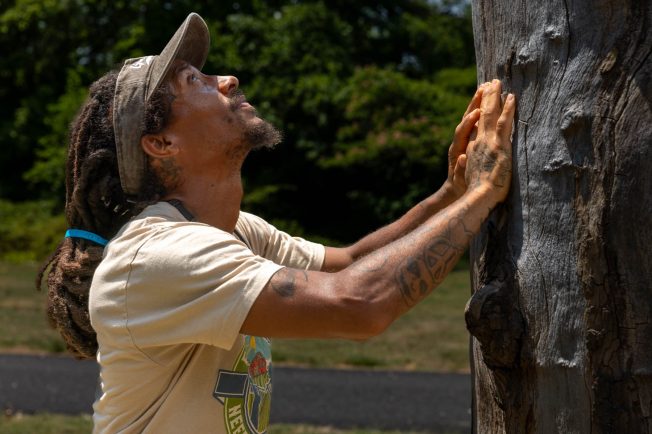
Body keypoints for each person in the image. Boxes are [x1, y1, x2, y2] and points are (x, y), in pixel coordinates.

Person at [39, 12, 515, 434]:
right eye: (194, 82)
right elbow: (357, 304)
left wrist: (451, 194)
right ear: (160, 143)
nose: (227, 79)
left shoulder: (234, 230)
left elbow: (349, 264)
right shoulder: (159, 256)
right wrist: (480, 194)